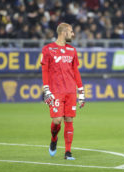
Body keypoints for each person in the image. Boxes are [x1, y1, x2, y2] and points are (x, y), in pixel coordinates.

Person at [41, 22, 85, 160]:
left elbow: (75, 71)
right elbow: (45, 70)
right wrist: (46, 89)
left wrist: (81, 92)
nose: (73, 34)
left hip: (70, 90)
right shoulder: (48, 49)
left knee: (69, 119)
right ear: (64, 32)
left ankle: (68, 152)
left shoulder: (72, 50)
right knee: (57, 120)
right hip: (56, 91)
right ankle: (54, 138)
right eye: (71, 31)